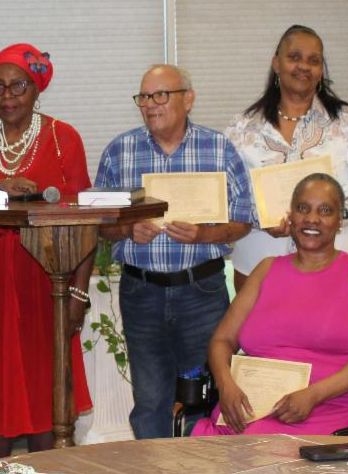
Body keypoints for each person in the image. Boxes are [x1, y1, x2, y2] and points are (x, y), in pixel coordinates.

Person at [95, 64, 254, 439]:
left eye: (160, 95)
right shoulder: (120, 151)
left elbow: (244, 219)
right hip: (141, 292)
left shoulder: (218, 148)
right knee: (150, 401)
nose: (150, 105)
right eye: (144, 97)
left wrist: (203, 234)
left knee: (210, 398)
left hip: (202, 291)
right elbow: (101, 225)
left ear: (189, 98)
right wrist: (127, 231)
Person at [0, 43, 93, 458]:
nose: (8, 96)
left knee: (47, 395)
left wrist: (79, 296)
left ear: (36, 89)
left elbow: (86, 223)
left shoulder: (63, 138)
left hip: (49, 281)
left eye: (18, 86)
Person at [192, 173, 348, 435]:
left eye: (325, 210)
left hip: (331, 408)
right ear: (291, 216)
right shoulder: (266, 269)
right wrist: (226, 384)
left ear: (339, 222)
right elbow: (221, 340)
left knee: (258, 452)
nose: (312, 218)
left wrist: (313, 395)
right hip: (252, 409)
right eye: (303, 208)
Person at [226, 24, 348, 291]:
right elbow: (226, 201)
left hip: (334, 268)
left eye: (313, 60)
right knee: (262, 334)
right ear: (276, 63)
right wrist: (261, 219)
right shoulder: (242, 128)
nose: (303, 66)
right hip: (258, 270)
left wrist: (325, 213)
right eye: (294, 57)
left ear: (321, 71)